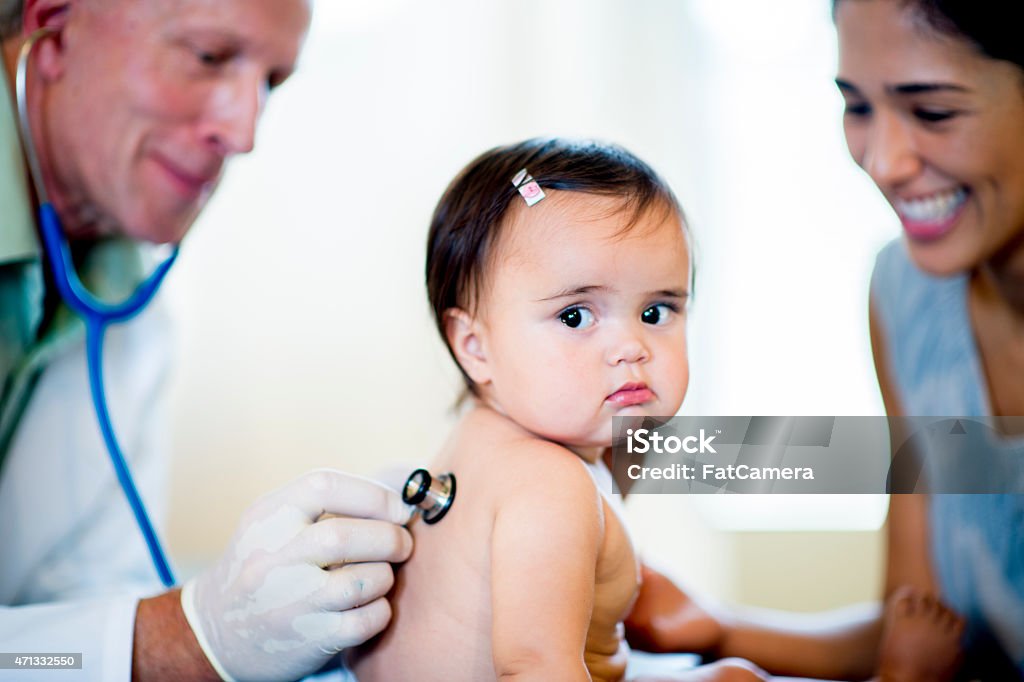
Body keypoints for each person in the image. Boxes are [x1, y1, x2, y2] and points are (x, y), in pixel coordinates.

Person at [0, 1, 414, 680]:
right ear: (54, 27)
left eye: (271, 82)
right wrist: (181, 640)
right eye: (209, 57)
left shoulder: (121, 296)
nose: (245, 130)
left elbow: (67, 628)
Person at [625, 1, 1024, 679]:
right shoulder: (905, 294)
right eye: (858, 107)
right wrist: (717, 627)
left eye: (932, 112)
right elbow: (918, 626)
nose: (884, 162)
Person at [348, 138, 767, 682]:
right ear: (475, 346)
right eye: (575, 317)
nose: (631, 347)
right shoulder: (550, 483)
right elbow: (534, 669)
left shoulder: (478, 447)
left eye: (657, 310)